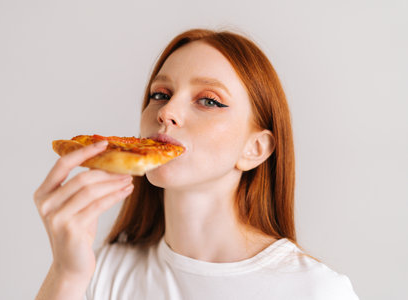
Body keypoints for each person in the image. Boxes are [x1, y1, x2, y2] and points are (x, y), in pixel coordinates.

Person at [34, 28, 359, 300]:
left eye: (208, 100)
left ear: (255, 148)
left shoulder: (315, 290)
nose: (166, 112)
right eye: (160, 94)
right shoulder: (101, 271)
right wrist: (66, 275)